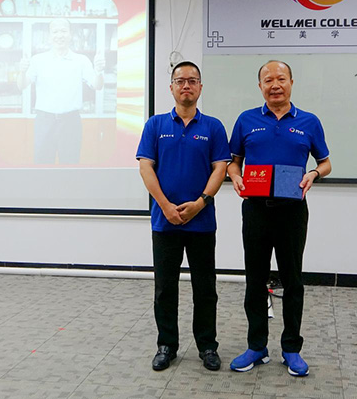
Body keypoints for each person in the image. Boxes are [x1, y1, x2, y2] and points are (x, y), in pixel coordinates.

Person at [227, 60, 331, 377]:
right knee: (255, 279)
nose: (275, 85)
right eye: (268, 80)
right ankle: (257, 346)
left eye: (281, 79)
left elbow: (325, 163)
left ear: (291, 83)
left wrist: (313, 174)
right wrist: (236, 177)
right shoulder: (246, 120)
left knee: (293, 280)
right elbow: (233, 162)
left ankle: (291, 349)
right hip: (256, 210)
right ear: (260, 86)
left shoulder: (309, 122)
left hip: (292, 212)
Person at [136, 61, 230, 371]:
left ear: (200, 87)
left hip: (201, 222)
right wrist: (165, 205)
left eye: (192, 80)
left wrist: (200, 203)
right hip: (165, 221)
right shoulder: (155, 125)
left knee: (205, 289)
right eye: (180, 81)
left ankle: (207, 346)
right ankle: (166, 345)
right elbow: (146, 167)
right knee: (165, 288)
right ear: (172, 87)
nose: (186, 86)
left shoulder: (213, 127)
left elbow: (220, 168)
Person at [18, 18, 104, 164]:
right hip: (44, 121)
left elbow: (97, 85)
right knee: (42, 165)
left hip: (70, 121)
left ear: (71, 34)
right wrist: (21, 71)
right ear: (49, 36)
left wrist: (99, 71)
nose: (59, 35)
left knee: (70, 163)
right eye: (55, 32)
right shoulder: (38, 60)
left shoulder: (81, 60)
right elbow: (22, 85)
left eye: (63, 31)